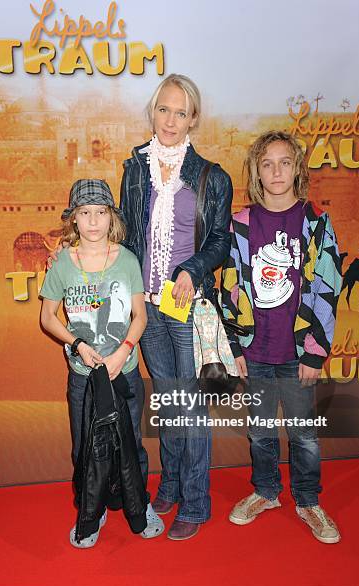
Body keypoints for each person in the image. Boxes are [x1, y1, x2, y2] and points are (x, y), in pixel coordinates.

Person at [120, 74, 233, 540]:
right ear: (153, 112)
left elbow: (221, 240)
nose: (170, 120)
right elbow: (125, 230)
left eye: (180, 112)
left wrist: (192, 268)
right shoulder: (135, 169)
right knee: (169, 404)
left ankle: (196, 500)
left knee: (190, 407)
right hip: (147, 307)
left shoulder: (212, 176)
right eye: (163, 110)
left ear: (193, 119)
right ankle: (169, 482)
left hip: (187, 306)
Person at [221, 131, 342, 544]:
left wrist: (315, 350)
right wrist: (234, 344)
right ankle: (266, 491)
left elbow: (327, 285)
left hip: (297, 352)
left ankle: (308, 499)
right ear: (256, 170)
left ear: (297, 169)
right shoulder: (240, 224)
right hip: (255, 350)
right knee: (259, 429)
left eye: (284, 162)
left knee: (303, 431)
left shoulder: (315, 222)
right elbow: (231, 287)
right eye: (267, 163)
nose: (276, 171)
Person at [40, 178, 164, 546]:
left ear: (111, 218)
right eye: (85, 213)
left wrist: (124, 349)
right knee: (84, 448)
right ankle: (90, 512)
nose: (93, 221)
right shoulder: (62, 262)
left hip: (123, 373)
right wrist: (77, 344)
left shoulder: (126, 260)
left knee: (132, 445)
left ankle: (139, 504)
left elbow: (139, 316)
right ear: (73, 220)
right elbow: (48, 317)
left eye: (100, 212)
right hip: (83, 377)